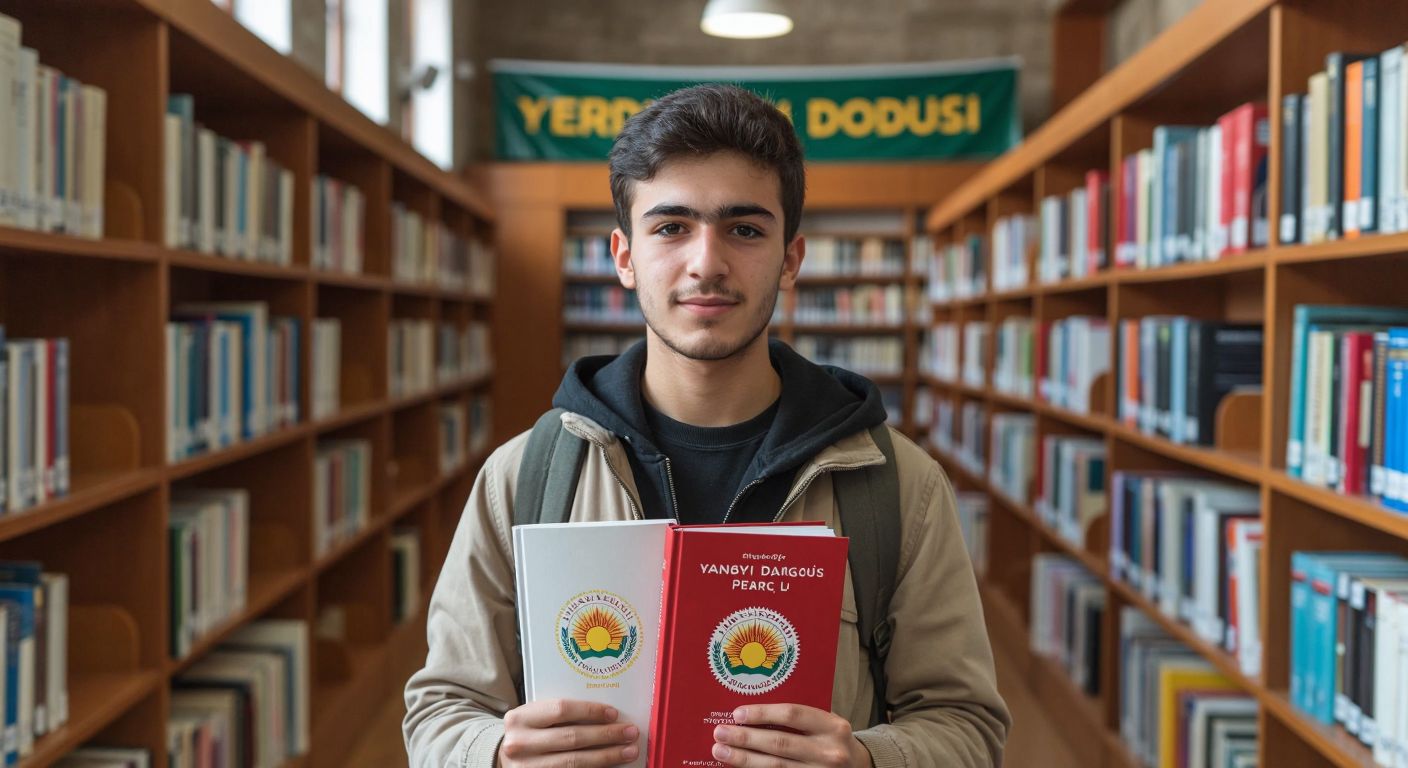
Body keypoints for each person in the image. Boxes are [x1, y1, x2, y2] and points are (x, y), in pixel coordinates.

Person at [404, 83, 1010, 768]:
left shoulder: (898, 486)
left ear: (790, 260)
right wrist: (493, 753)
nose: (706, 264)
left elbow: (967, 724)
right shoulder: (524, 477)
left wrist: (869, 761)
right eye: (671, 228)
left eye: (744, 230)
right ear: (624, 257)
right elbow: (440, 711)